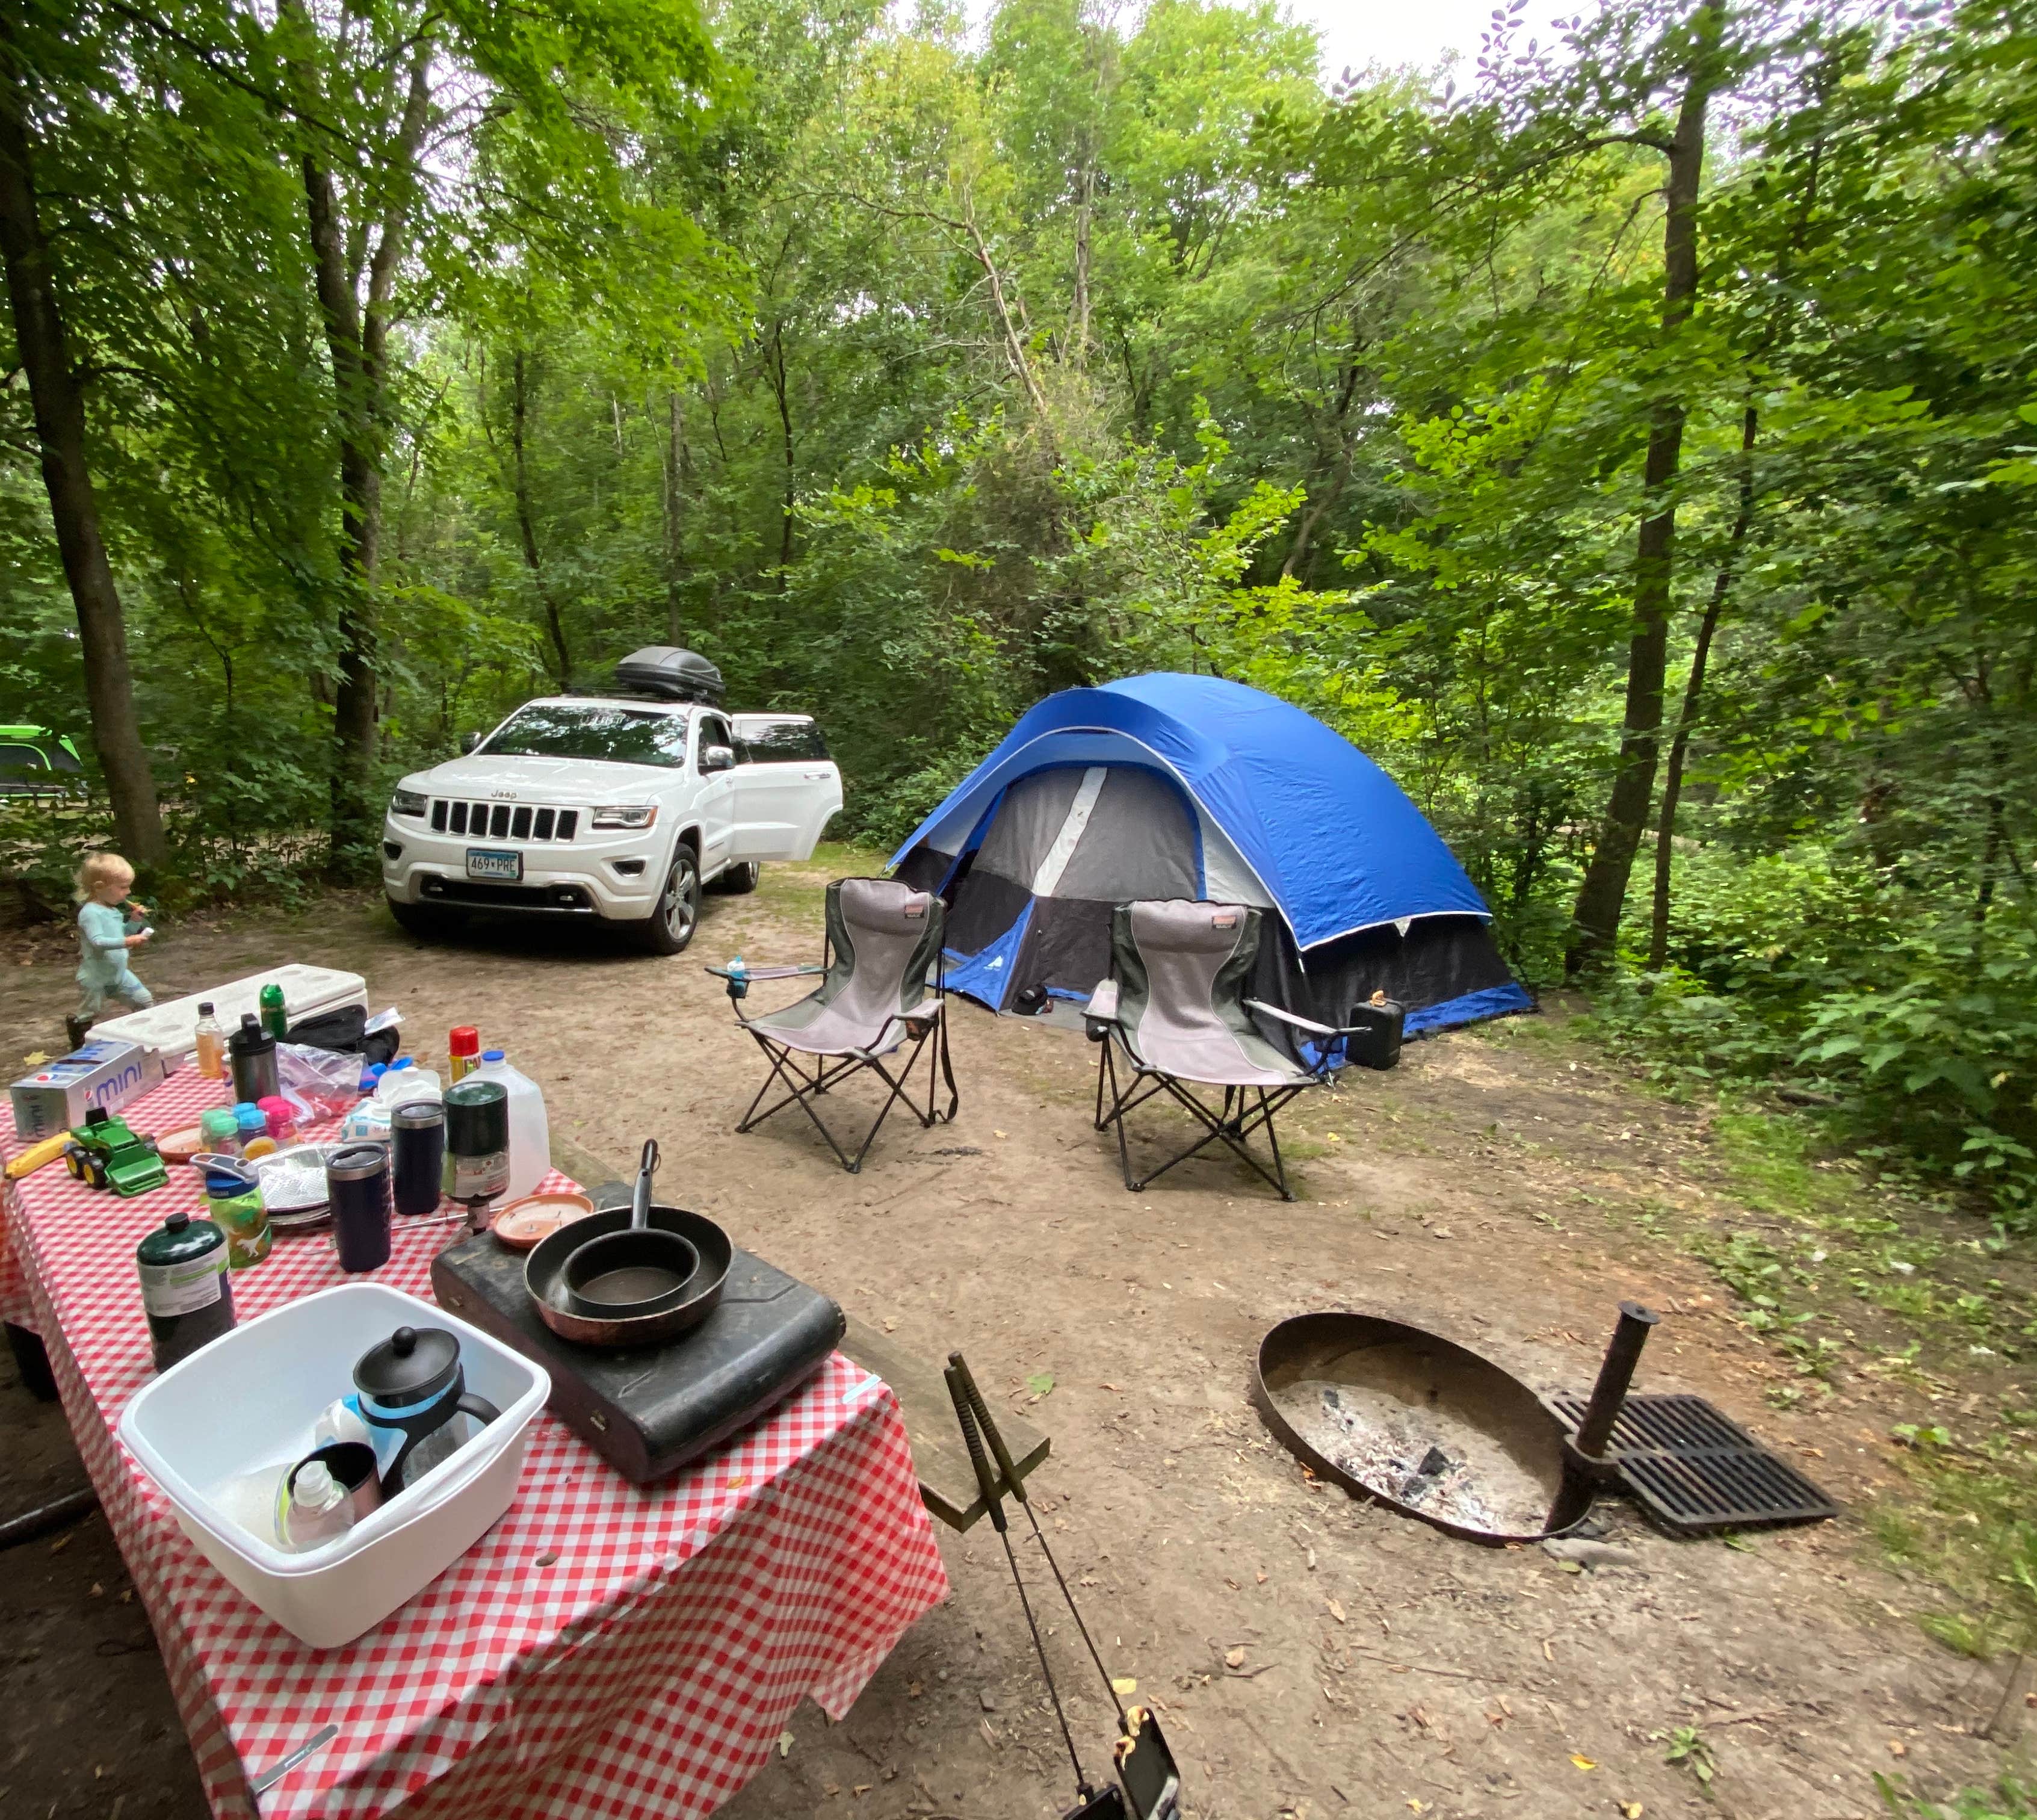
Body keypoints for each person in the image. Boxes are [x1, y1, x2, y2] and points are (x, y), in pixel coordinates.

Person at [72, 852, 153, 1045]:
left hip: (118, 974)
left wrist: (133, 923)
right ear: (100, 887)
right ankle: (79, 1042)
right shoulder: (90, 913)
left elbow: (120, 935)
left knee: (144, 1000)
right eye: (123, 887)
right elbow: (98, 941)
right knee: (89, 1012)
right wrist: (129, 941)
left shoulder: (113, 911)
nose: (128, 893)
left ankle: (143, 1037)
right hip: (96, 977)